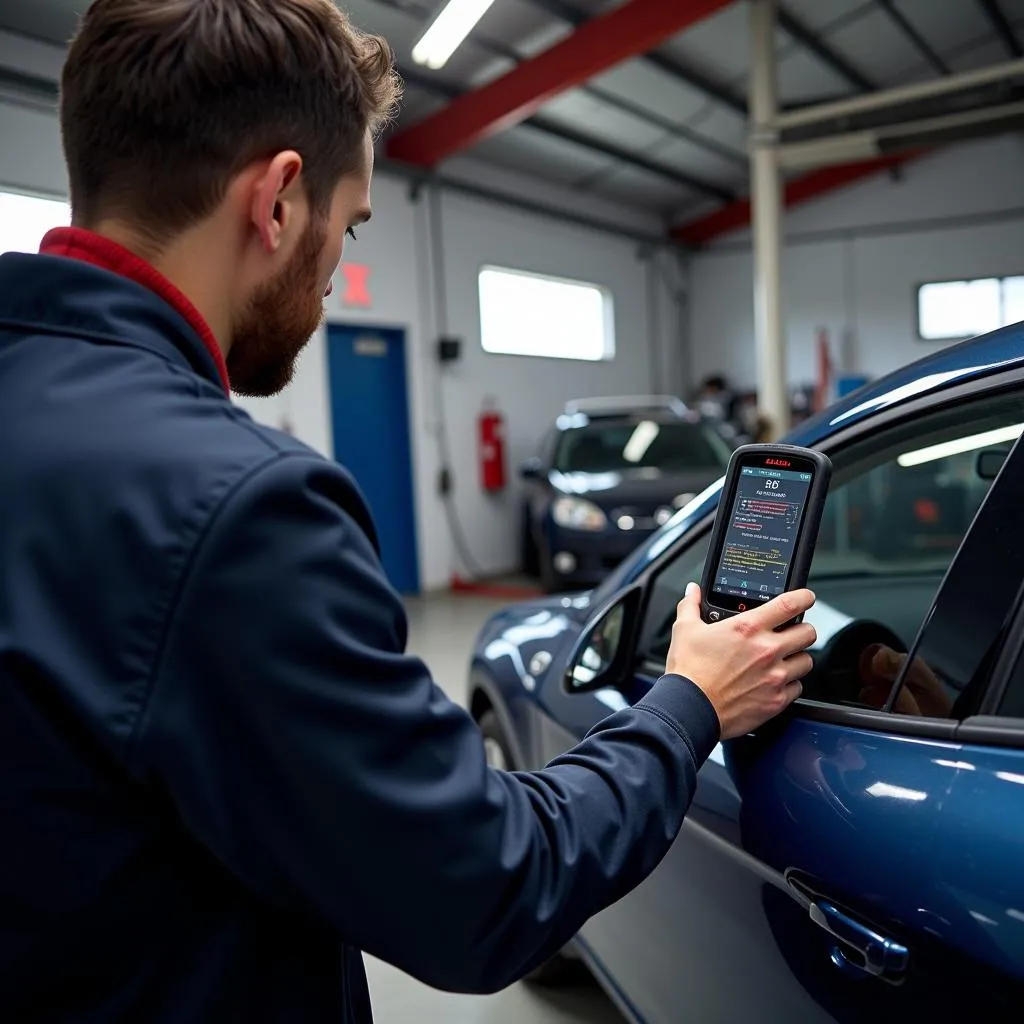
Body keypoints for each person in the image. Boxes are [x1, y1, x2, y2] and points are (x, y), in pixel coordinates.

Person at [0, 1, 816, 1021]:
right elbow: (487, 884)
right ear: (280, 201)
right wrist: (689, 701)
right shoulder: (240, 509)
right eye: (351, 224)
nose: (336, 272)